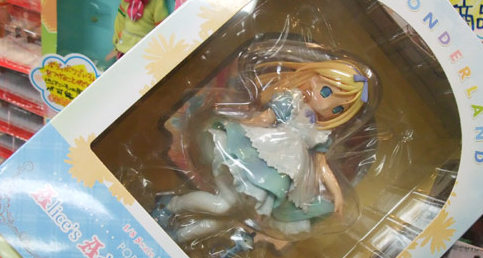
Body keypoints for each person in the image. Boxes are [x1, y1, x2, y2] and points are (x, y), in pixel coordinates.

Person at [153, 57, 373, 242]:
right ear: (314, 80)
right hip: (252, 159)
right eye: (326, 91)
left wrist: (337, 194)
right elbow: (264, 119)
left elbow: (321, 164)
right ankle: (170, 206)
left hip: (272, 182)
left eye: (338, 108)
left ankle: (177, 235)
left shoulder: (319, 133)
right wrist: (238, 127)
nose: (326, 106)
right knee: (224, 207)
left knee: (229, 215)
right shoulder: (292, 102)